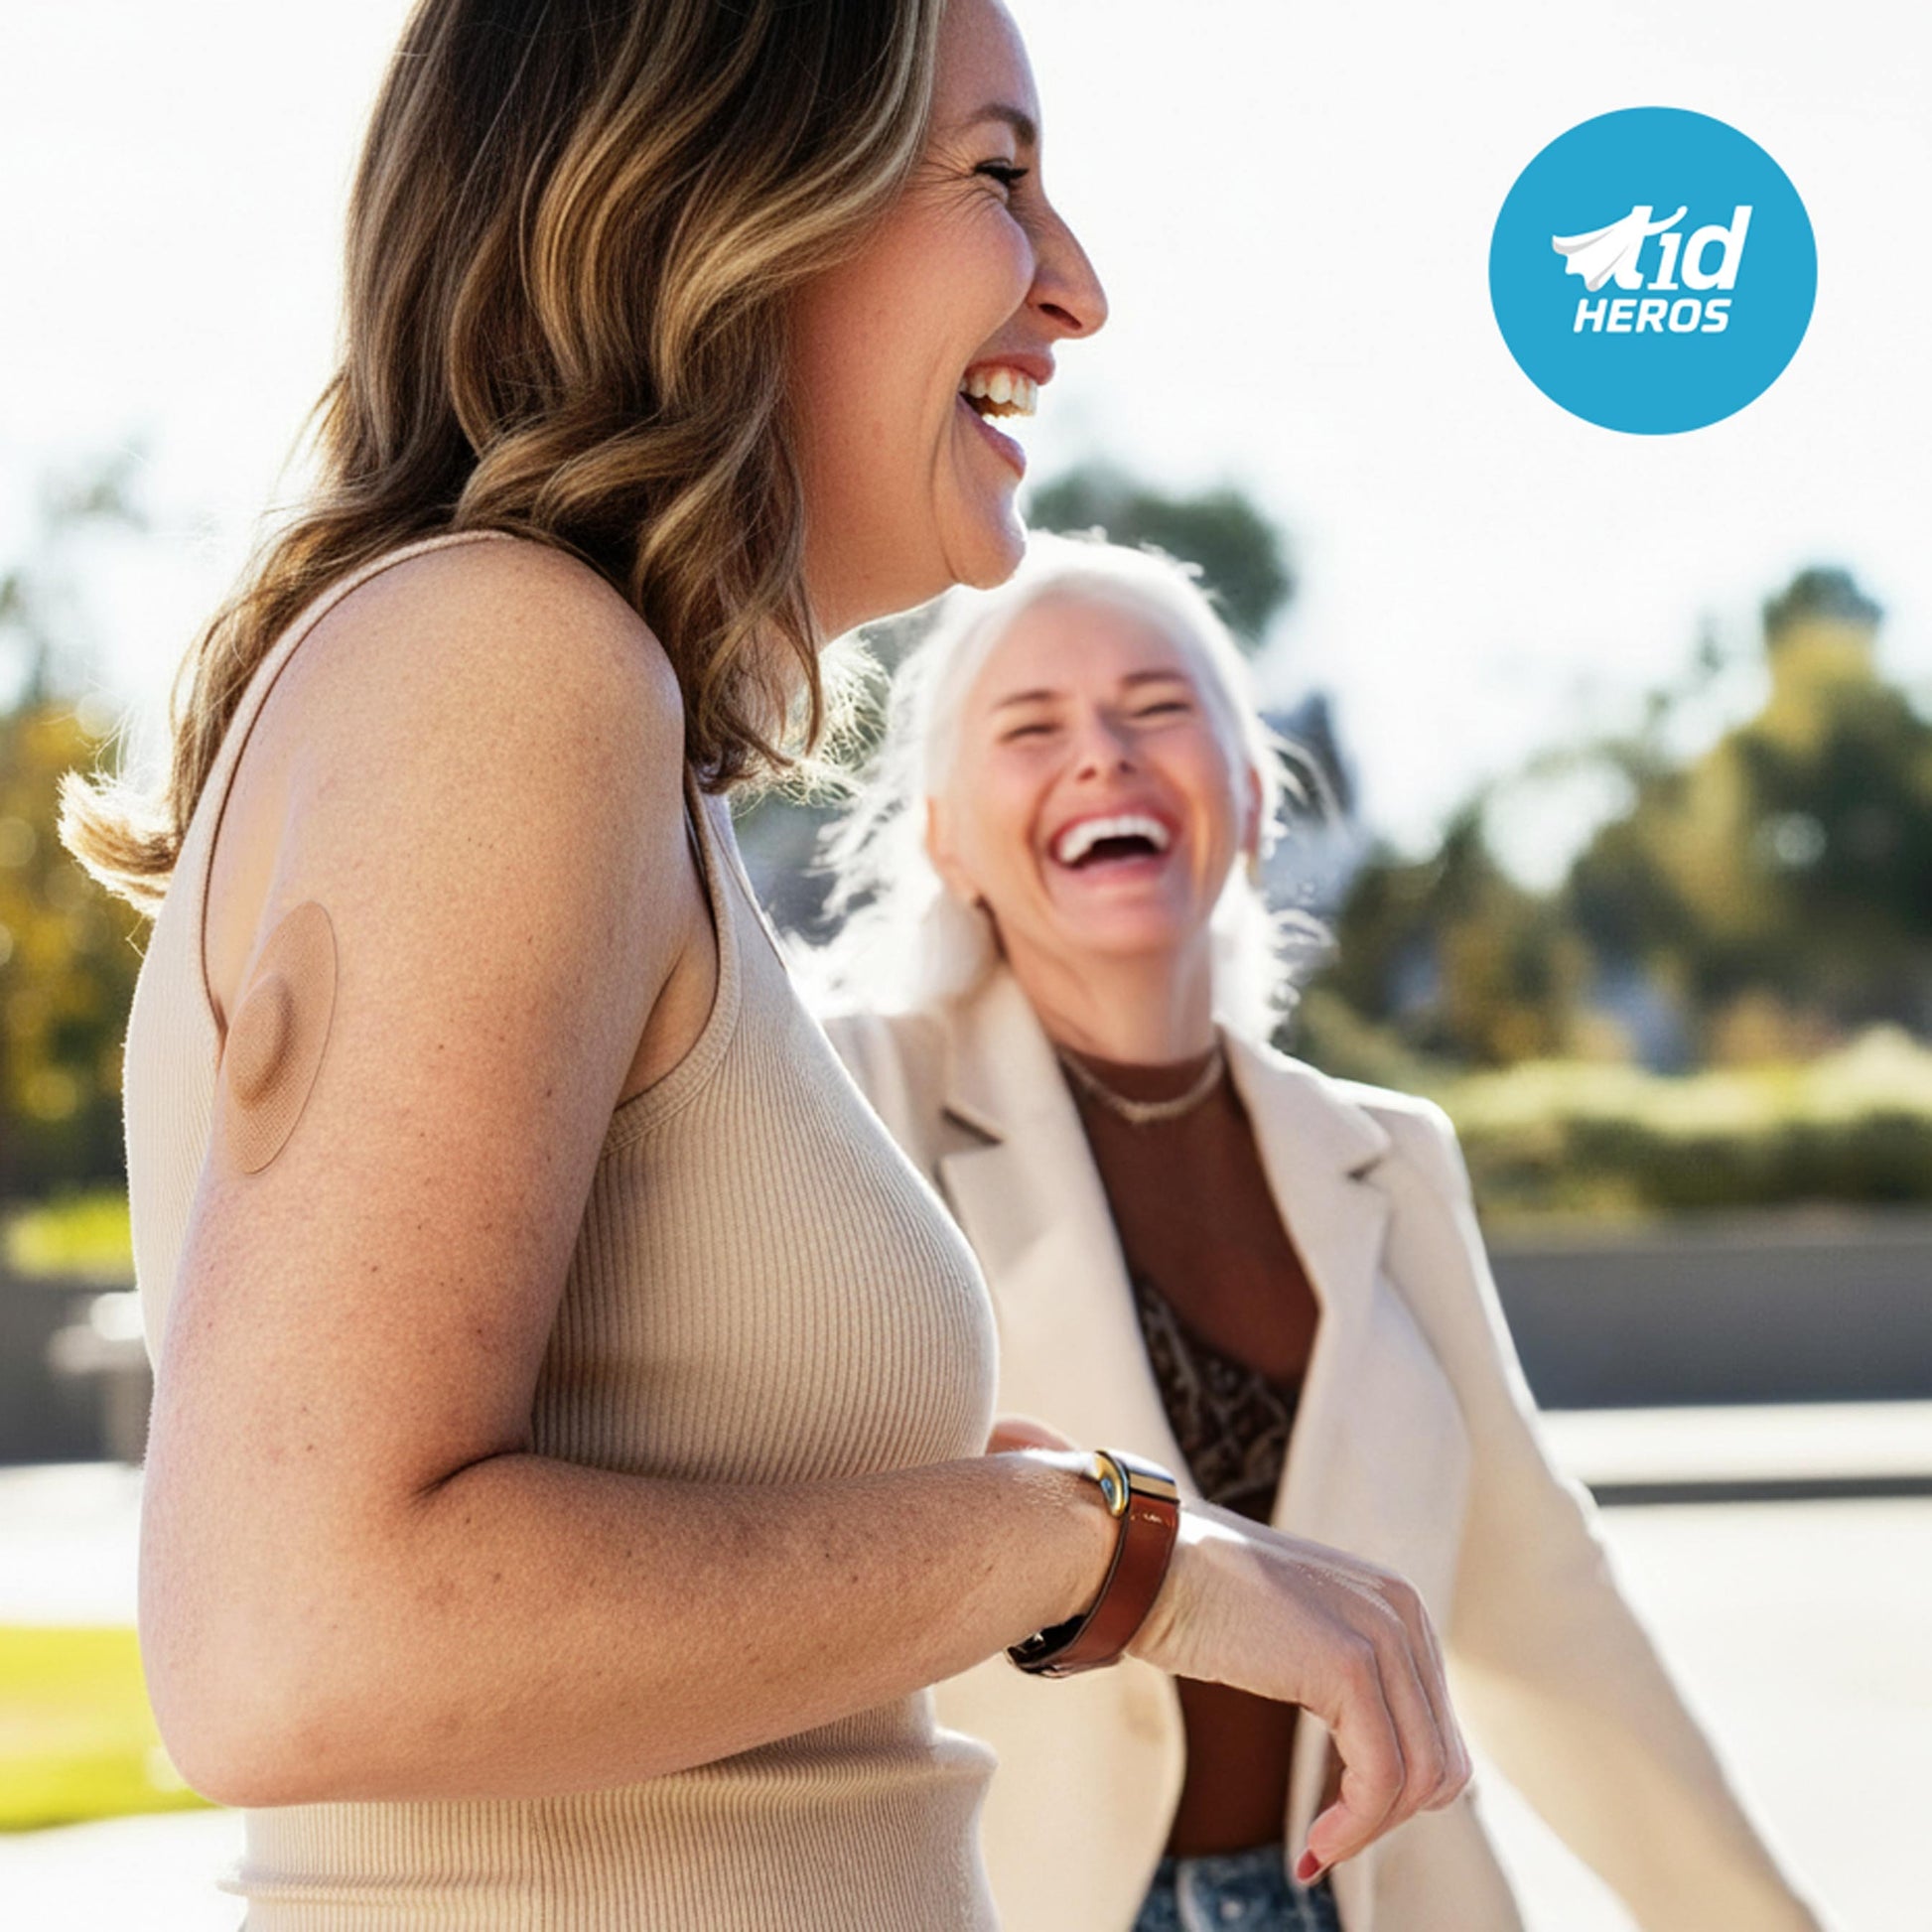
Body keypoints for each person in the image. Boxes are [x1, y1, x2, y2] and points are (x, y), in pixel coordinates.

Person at [62, 6, 1466, 1928]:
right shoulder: (505, 665)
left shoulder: (569, 714)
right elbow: (300, 1634)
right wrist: (1101, 1548)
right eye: (996, 176)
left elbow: (652, 1450)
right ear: (716, 194)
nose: (1078, 289)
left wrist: (1120, 1523)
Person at [818, 534, 1834, 1932]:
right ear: (943, 828)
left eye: (1156, 707)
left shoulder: (1390, 1156)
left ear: (1245, 787)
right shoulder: (849, 1103)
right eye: (1031, 725)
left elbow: (1542, 1600)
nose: (1103, 753)